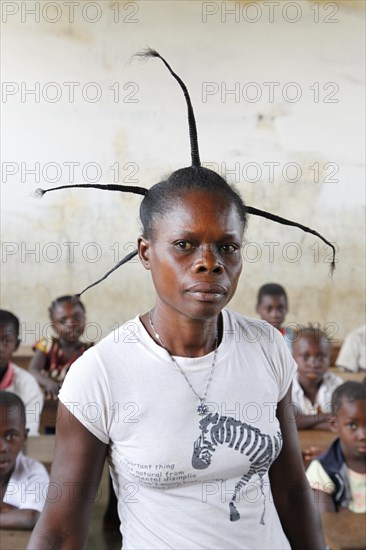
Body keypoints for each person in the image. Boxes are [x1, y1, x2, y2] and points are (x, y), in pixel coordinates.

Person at [27, 50, 332, 549]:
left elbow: (291, 487)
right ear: (146, 253)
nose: (209, 263)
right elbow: (61, 530)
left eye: (227, 247)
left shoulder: (266, 347)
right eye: (185, 245)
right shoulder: (101, 373)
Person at [306, 381, 366, 513]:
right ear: (334, 424)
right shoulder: (322, 469)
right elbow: (327, 523)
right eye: (352, 425)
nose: (363, 435)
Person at [0, 391, 49, 529]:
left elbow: (31, 517)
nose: (1, 448)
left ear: (24, 437)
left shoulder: (33, 472)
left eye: (10, 437)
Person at [29, 295, 93, 400]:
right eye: (63, 321)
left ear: (85, 319)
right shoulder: (47, 344)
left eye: (76, 317)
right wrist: (49, 383)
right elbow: (33, 370)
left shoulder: (90, 350)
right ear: (53, 325)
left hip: (79, 401)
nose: (71, 324)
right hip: (52, 400)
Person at [0, 310, 43, 437]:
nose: (0, 348)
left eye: (6, 341)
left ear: (16, 345)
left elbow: (29, 433)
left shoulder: (27, 385)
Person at [292, 327, 343, 430]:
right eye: (305, 356)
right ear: (293, 358)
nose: (313, 364)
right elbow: (287, 422)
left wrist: (304, 422)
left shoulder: (337, 385)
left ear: (330, 359)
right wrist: (326, 416)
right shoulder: (286, 386)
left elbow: (342, 421)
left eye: (320, 357)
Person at [256, 283, 294, 350]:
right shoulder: (250, 339)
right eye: (269, 308)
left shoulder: (295, 339)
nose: (275, 315)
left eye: (280, 308)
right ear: (258, 309)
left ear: (287, 308)